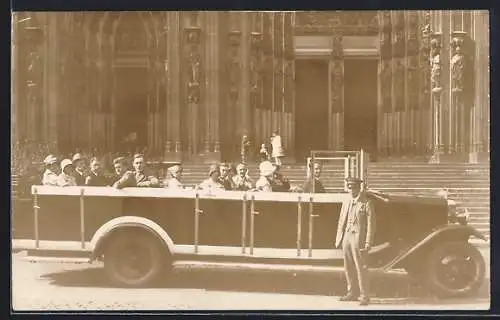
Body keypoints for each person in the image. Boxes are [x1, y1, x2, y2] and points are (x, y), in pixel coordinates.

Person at [335, 177, 376, 306]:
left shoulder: (366, 203)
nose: (351, 190)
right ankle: (351, 292)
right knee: (348, 266)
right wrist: (339, 238)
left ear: (359, 188)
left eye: (354, 188)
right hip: (347, 236)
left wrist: (368, 242)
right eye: (349, 187)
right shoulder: (346, 201)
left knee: (361, 267)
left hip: (359, 238)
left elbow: (371, 225)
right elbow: (341, 220)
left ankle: (364, 295)